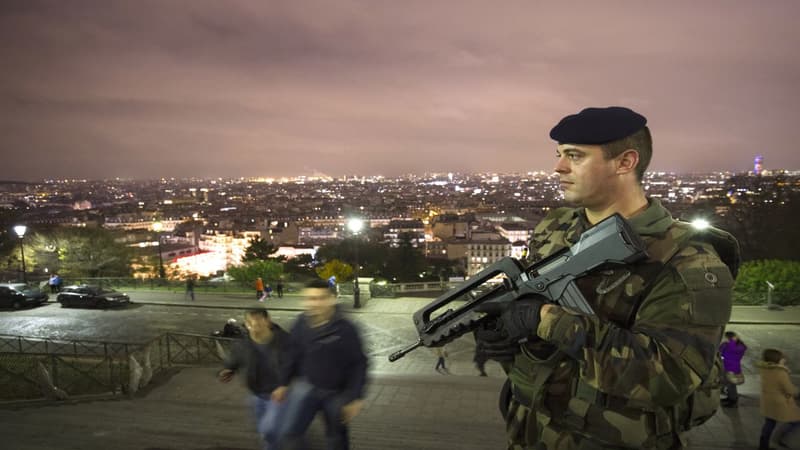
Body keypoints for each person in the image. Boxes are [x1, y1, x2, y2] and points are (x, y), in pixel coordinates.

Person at [474, 106, 740, 449]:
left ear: (625, 162)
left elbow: (666, 378)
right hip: (532, 432)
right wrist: (506, 333)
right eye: (559, 155)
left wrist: (543, 319)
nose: (558, 167)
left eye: (575, 156)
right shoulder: (555, 228)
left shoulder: (687, 260)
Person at [272, 279, 368, 450]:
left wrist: (355, 397)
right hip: (306, 387)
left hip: (336, 393)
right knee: (289, 434)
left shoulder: (345, 328)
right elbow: (292, 354)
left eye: (320, 298)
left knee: (336, 439)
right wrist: (283, 383)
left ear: (331, 299)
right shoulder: (300, 323)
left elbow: (359, 364)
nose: (314, 303)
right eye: (310, 299)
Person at [218, 309, 288, 449]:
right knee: (265, 430)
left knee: (269, 430)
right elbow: (236, 358)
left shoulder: (284, 341)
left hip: (278, 395)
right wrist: (229, 368)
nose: (254, 326)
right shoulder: (245, 343)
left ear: (268, 321)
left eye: (258, 321)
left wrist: (285, 385)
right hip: (256, 394)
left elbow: (296, 364)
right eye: (250, 322)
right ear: (246, 324)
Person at [757, 348, 800, 450]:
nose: (784, 359)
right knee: (796, 420)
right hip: (780, 402)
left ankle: (763, 445)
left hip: (767, 400)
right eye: (782, 358)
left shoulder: (765, 369)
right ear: (777, 359)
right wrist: (796, 391)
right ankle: (779, 437)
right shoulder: (780, 372)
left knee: (770, 422)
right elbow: (790, 390)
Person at [719, 330, 747, 407]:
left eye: (726, 338)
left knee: (731, 385)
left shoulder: (737, 347)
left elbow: (730, 350)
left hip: (732, 368)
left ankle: (733, 401)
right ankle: (729, 397)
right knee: (728, 383)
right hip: (726, 366)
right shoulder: (728, 345)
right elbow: (720, 350)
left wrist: (731, 342)